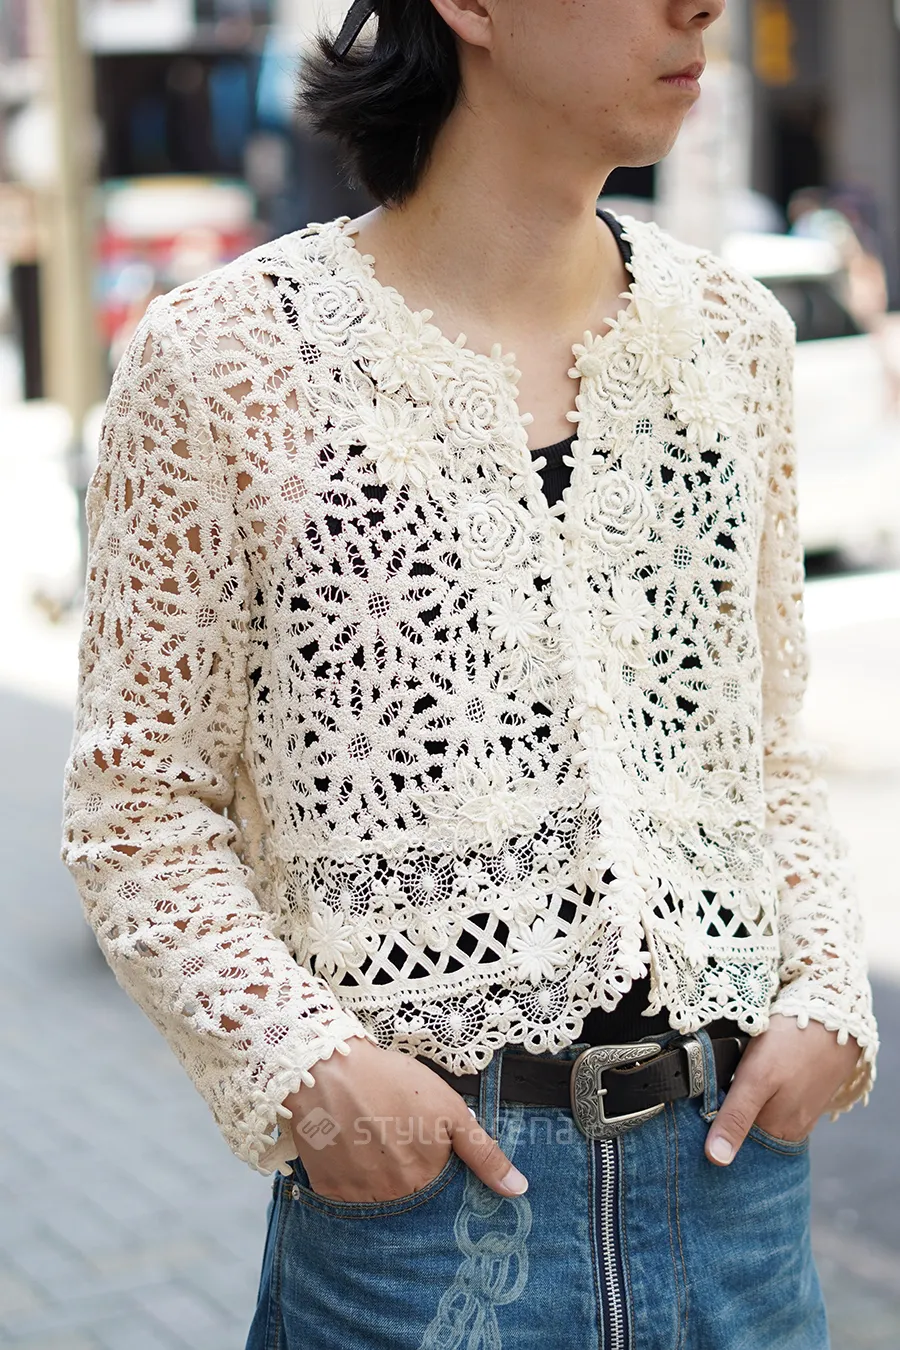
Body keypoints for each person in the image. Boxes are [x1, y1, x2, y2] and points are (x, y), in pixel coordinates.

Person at [61, 2, 878, 1346]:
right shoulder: (227, 361)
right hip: (426, 1228)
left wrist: (830, 997)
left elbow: (765, 750)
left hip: (739, 1203)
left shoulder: (734, 337)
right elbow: (137, 809)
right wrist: (309, 1068)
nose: (702, 6)